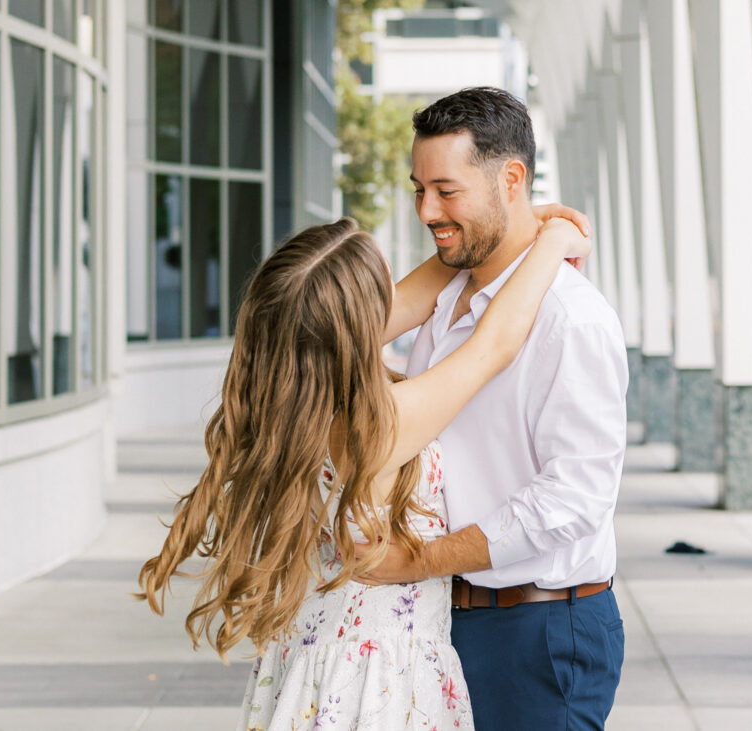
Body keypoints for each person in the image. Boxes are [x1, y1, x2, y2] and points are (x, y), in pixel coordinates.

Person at [136, 211, 590, 730]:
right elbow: (494, 344)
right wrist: (552, 240)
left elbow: (413, 295)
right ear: (360, 324)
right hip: (374, 686)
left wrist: (511, 223)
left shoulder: (294, 407)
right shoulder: (380, 426)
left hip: (316, 667)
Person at [356, 87, 628, 730]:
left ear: (512, 179)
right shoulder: (445, 300)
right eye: (419, 189)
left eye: (446, 190)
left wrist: (420, 561)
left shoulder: (571, 320)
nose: (427, 210)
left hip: (535, 631)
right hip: (440, 618)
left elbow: (575, 498)